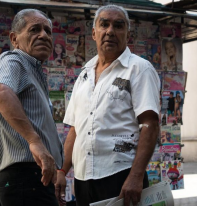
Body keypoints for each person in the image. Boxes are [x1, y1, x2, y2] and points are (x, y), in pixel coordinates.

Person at [55, 5, 160, 206]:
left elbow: (150, 124)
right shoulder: (84, 75)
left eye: (118, 26)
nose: (110, 31)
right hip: (83, 179)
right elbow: (76, 130)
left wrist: (136, 176)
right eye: (104, 24)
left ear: (127, 35)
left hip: (121, 177)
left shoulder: (139, 69)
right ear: (94, 33)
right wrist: (62, 171)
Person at [0, 9, 63, 206]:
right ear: (14, 38)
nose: (43, 35)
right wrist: (34, 141)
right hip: (24, 177)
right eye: (34, 29)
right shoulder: (14, 60)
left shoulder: (34, 70)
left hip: (36, 178)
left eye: (48, 31)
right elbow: (2, 92)